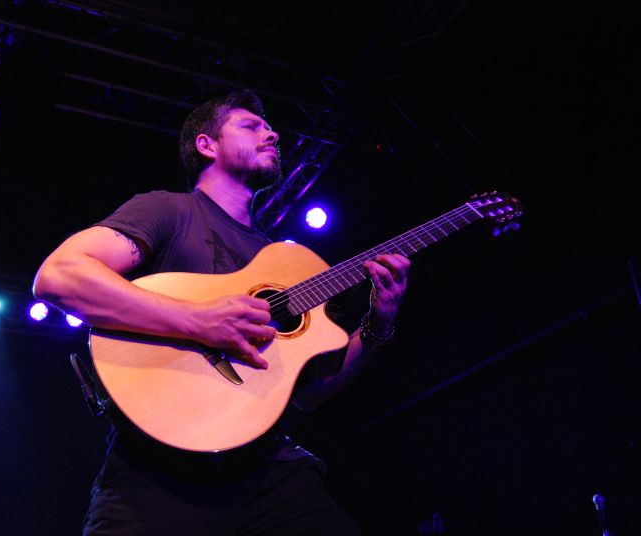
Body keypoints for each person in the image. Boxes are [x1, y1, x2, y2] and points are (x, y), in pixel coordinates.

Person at [33, 89, 410, 535]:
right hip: (156, 476)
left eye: (269, 126)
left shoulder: (281, 260)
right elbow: (58, 276)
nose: (271, 132)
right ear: (206, 145)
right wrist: (199, 321)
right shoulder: (169, 210)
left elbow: (310, 392)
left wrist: (375, 326)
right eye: (250, 125)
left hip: (270, 474)